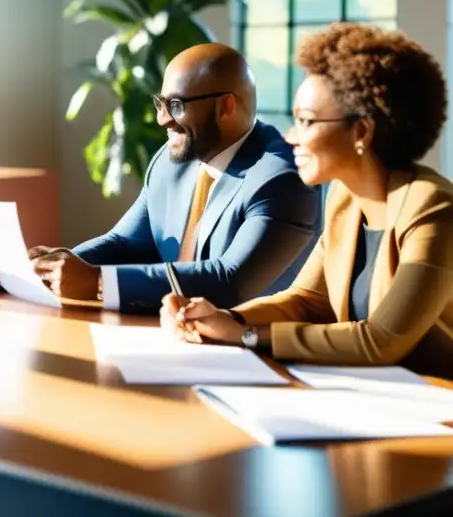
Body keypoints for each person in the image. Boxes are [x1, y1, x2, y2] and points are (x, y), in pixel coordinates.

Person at [162, 24, 453, 377]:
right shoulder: (345, 198)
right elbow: (305, 301)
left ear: (361, 131)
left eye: (306, 121)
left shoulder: (434, 209)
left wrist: (247, 336)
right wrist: (221, 319)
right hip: (379, 396)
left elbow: (381, 341)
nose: (291, 136)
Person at [0, 43, 319, 313]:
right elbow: (126, 242)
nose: (163, 120)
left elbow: (229, 282)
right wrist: (46, 271)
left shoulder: (281, 178)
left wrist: (96, 282)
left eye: (178, 105)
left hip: (254, 356)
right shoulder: (173, 160)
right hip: (171, 331)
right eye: (161, 104)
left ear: (226, 107)